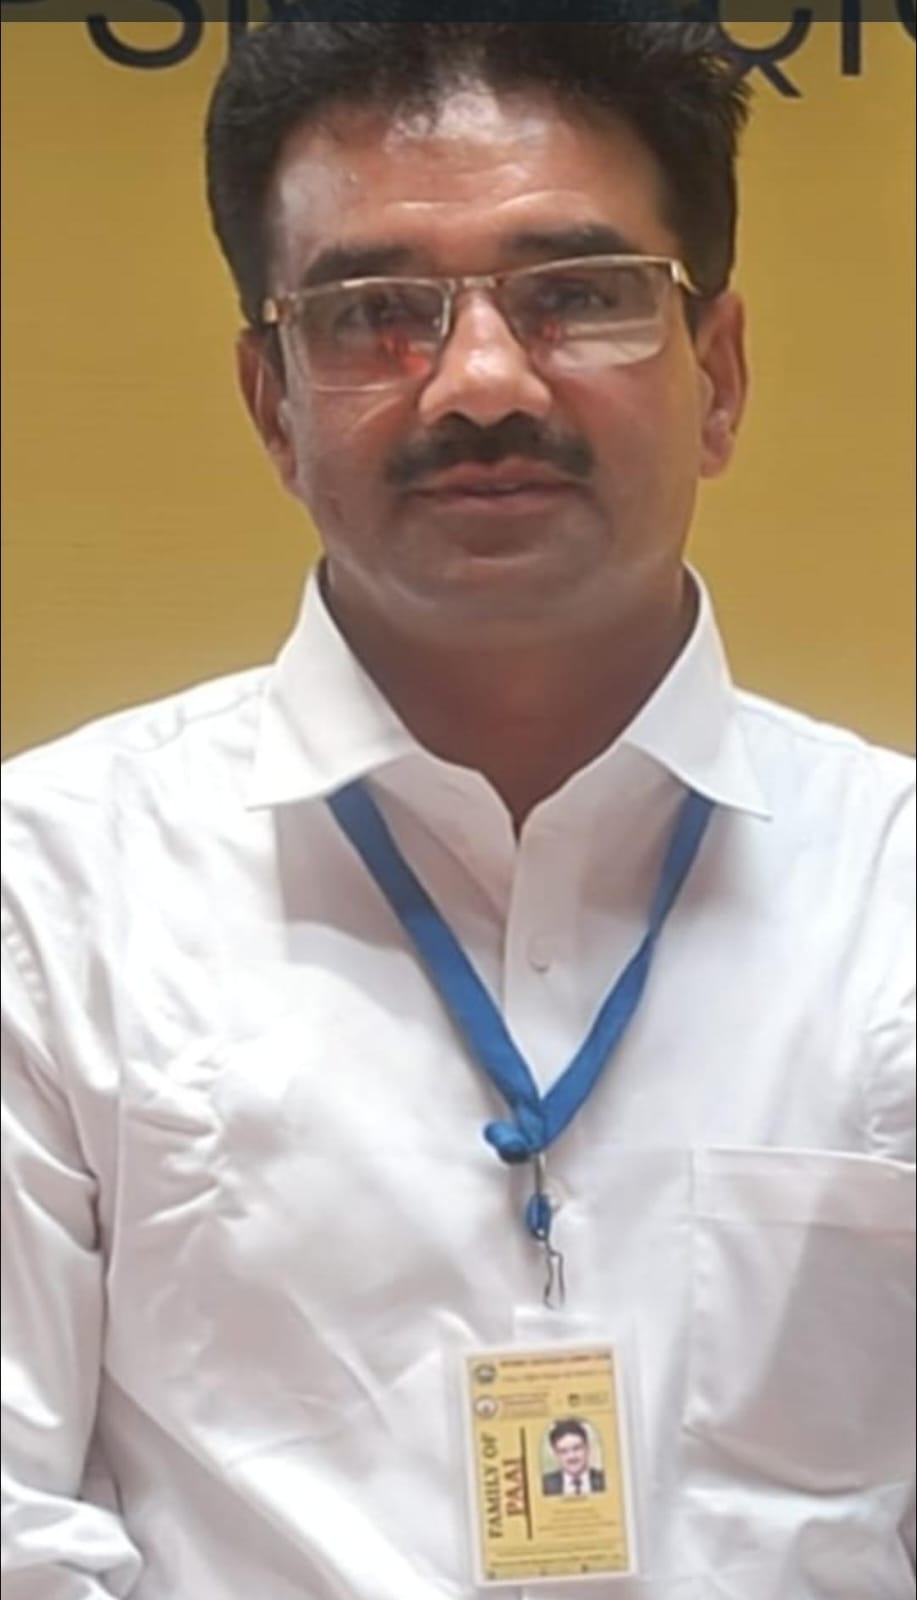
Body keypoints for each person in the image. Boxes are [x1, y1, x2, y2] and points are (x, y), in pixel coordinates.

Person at [1, 15, 913, 1600]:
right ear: (273, 406)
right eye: (374, 314)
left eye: (578, 294)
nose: (481, 380)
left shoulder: (891, 887)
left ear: (717, 375)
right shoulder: (50, 891)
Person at [541, 1419, 605, 1497]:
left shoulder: (605, 1480)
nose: (571, 1456)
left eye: (577, 1448)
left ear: (587, 1448)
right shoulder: (544, 1486)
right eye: (563, 1451)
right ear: (556, 1454)